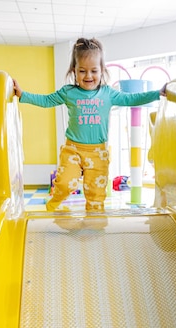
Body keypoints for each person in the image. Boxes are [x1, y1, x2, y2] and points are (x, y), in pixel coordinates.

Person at [13, 37, 166, 212]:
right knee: (65, 183)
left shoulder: (108, 93)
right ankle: (53, 203)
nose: (88, 76)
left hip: (98, 153)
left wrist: (157, 93)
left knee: (96, 195)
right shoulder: (68, 92)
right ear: (74, 71)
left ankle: (95, 225)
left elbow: (132, 99)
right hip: (73, 150)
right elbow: (47, 100)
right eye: (82, 71)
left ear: (102, 70)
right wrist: (23, 95)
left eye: (94, 71)